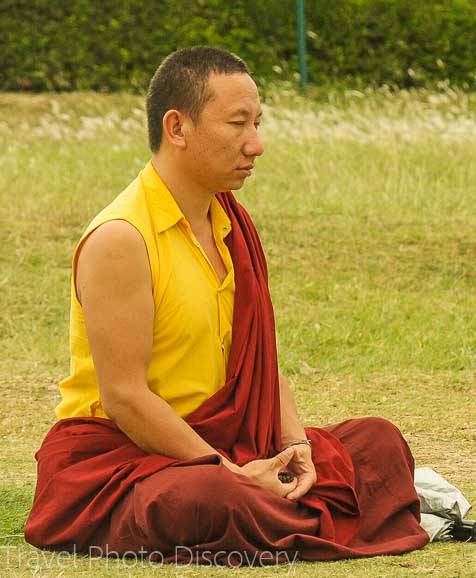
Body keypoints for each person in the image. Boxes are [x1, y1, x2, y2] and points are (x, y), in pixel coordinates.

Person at [24, 46, 429, 566]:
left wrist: (295, 444)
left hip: (235, 448)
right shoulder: (122, 238)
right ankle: (313, 514)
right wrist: (230, 473)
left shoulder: (230, 224)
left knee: (379, 442)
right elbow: (125, 398)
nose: (256, 145)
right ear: (177, 127)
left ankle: (281, 510)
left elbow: (259, 360)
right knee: (203, 502)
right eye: (238, 123)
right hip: (134, 459)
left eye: (257, 123)